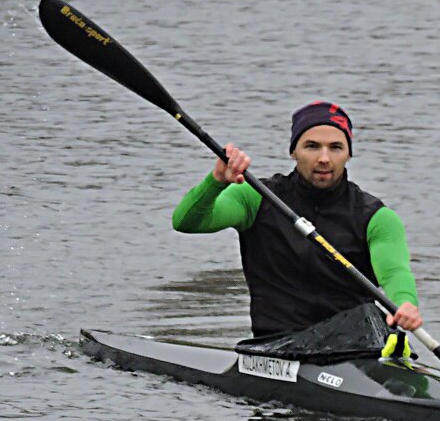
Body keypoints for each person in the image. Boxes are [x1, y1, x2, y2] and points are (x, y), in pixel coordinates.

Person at [172, 101, 423, 340]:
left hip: (356, 346)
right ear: (294, 151)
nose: (324, 158)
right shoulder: (256, 197)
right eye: (312, 146)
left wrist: (406, 304)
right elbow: (186, 222)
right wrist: (216, 180)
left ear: (348, 154)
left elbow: (395, 273)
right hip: (276, 345)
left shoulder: (376, 217)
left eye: (335, 147)